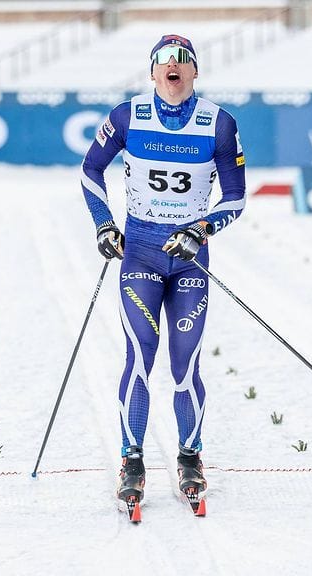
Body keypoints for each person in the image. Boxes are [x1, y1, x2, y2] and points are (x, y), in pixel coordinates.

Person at [79, 34, 246, 515]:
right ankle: (132, 461)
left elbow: (234, 198)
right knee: (139, 358)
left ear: (194, 72)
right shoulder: (128, 116)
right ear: (152, 73)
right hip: (143, 255)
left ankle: (190, 457)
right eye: (163, 61)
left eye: (182, 60)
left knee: (185, 364)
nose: (173, 66)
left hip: (189, 259)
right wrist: (104, 225)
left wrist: (201, 229)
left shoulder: (219, 123)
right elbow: (90, 172)